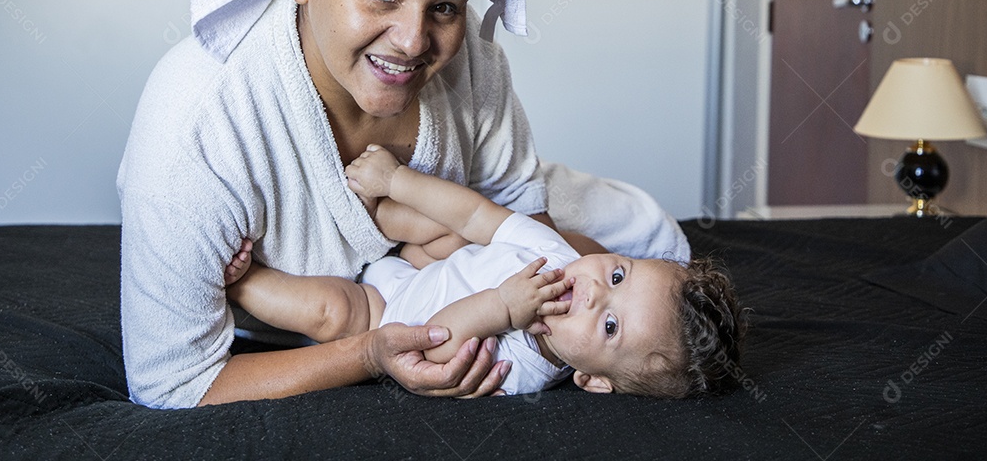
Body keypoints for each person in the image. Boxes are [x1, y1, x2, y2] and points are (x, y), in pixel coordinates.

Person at [118, 0, 688, 410]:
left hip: (458, 250)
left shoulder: (469, 50)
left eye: (444, 6)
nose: (414, 42)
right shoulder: (199, 124)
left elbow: (516, 221)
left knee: (656, 246)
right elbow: (172, 386)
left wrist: (557, 302)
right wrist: (367, 354)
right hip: (354, 296)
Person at [226, 145, 746, 397]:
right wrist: (397, 179)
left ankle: (242, 282)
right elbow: (478, 215)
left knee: (329, 312)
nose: (591, 295)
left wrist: (502, 308)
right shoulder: (557, 257)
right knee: (452, 230)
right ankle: (367, 215)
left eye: (610, 327)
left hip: (388, 312)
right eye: (617, 277)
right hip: (420, 262)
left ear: (590, 380)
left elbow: (432, 345)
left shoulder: (521, 374)